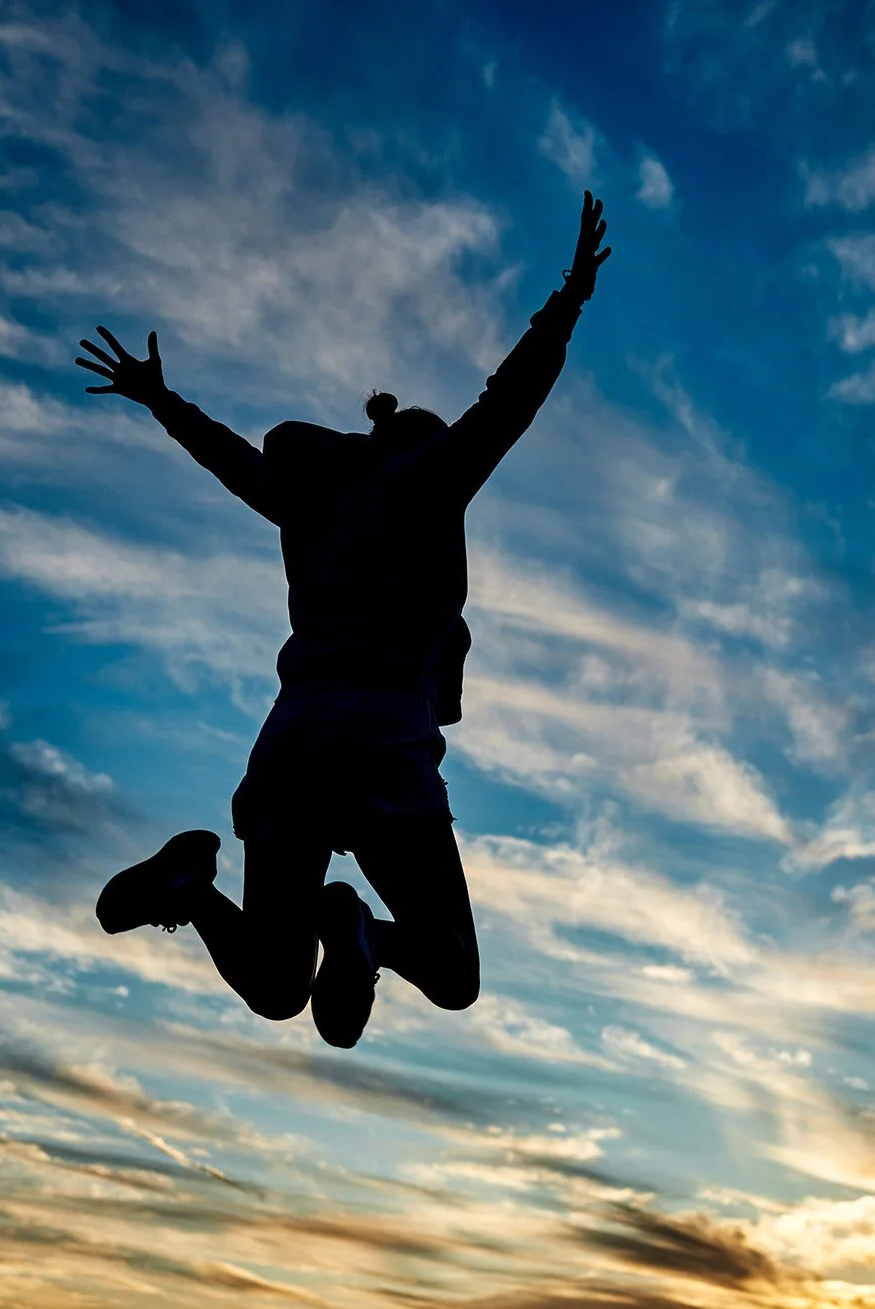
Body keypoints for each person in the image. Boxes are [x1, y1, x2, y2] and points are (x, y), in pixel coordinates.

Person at [82, 193, 611, 1048]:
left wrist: (162, 401)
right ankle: (364, 939)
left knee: (275, 981)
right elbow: (507, 401)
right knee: (450, 969)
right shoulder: (425, 482)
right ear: (424, 446)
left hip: (292, 731)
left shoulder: (312, 504)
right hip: (380, 732)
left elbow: (234, 465)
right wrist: (570, 299)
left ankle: (188, 887)